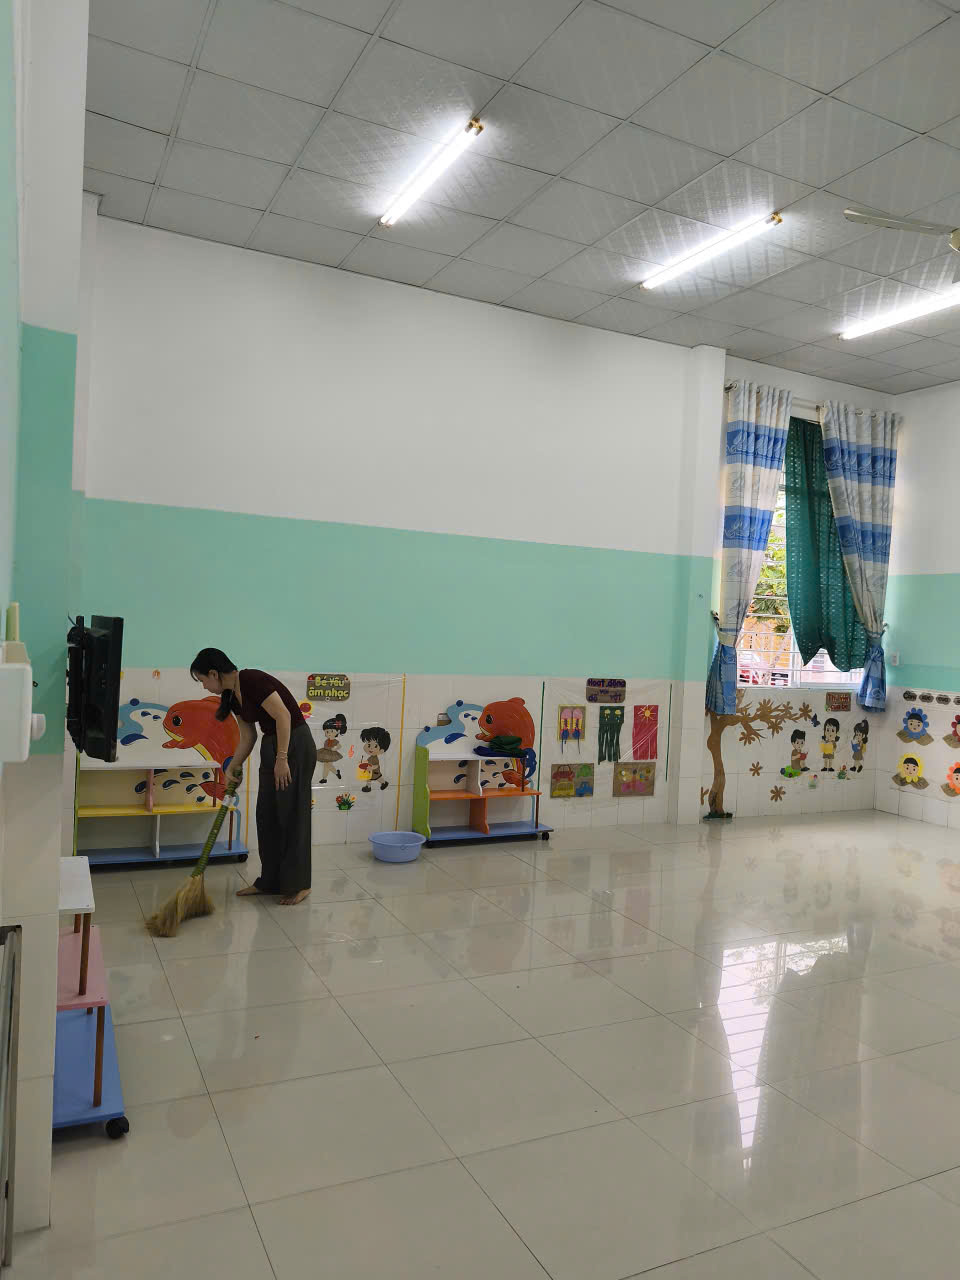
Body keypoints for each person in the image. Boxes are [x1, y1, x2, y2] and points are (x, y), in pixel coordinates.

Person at [189, 649, 316, 905]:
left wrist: (282, 758)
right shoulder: (232, 696)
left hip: (294, 743)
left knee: (292, 814)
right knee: (267, 815)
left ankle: (299, 884)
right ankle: (270, 881)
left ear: (214, 673)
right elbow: (248, 735)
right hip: (272, 745)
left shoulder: (251, 680)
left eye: (202, 680)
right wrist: (232, 766)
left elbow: (283, 715)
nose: (204, 686)